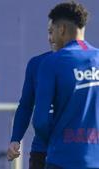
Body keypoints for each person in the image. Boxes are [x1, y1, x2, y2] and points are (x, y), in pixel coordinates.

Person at [32, 1, 99, 169]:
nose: (50, 37)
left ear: (61, 29)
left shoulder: (52, 62)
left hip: (62, 159)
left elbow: (40, 121)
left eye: (51, 31)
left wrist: (58, 138)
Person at [7, 50, 53, 169]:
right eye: (50, 31)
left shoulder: (89, 60)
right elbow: (26, 106)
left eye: (54, 31)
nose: (51, 37)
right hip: (41, 150)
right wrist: (15, 139)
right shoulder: (37, 63)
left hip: (75, 150)